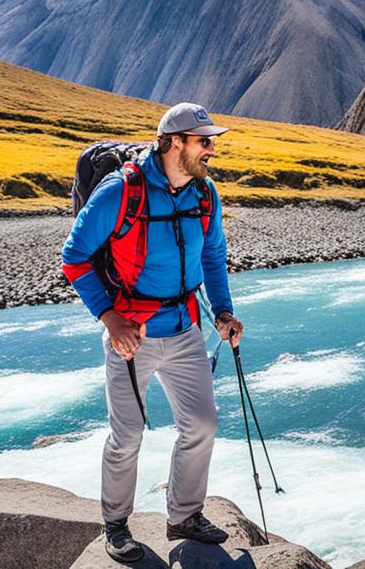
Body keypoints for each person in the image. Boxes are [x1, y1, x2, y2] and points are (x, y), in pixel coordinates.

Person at [62, 102, 245, 562]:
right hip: (132, 335)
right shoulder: (121, 191)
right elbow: (74, 257)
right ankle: (116, 526)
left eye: (213, 142)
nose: (212, 151)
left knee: (202, 423)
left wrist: (222, 312)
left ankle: (184, 515)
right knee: (126, 437)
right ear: (174, 142)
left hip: (185, 329)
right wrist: (109, 319)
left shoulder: (205, 194)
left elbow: (213, 255)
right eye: (205, 142)